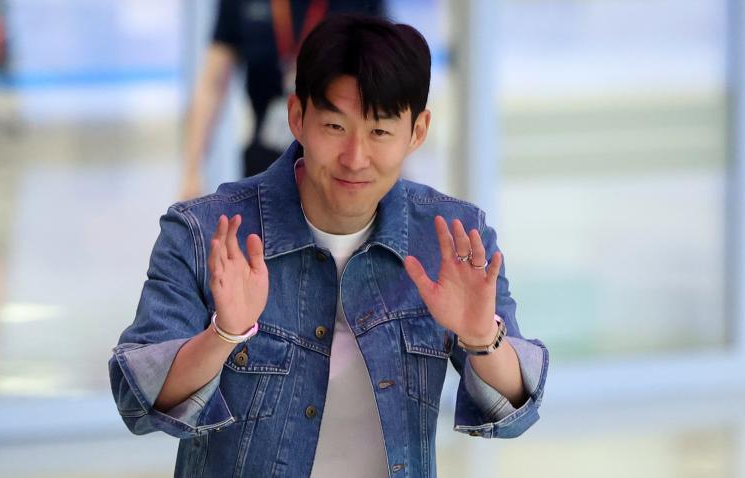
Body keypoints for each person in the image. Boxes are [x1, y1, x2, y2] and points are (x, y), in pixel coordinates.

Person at [110, 15, 548, 477]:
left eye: (380, 132)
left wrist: (482, 340)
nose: (355, 158)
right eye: (335, 127)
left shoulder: (453, 239)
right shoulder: (205, 233)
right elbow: (138, 399)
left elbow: (516, 407)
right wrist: (224, 335)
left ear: (417, 132)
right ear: (297, 117)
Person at [180, 0, 384, 200]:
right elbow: (212, 85)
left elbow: (382, 83)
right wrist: (192, 171)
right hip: (266, 157)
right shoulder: (239, 5)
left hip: (338, 158)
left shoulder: (358, 5)